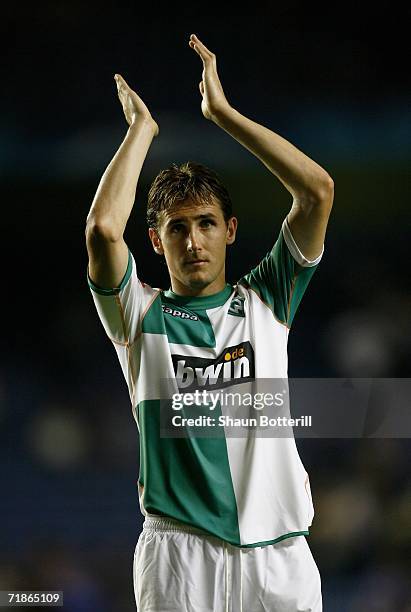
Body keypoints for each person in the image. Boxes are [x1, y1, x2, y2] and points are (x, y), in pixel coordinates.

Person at [86, 33, 333, 612]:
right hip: (180, 557)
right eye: (176, 227)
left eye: (205, 223)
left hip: (281, 559)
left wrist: (223, 117)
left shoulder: (270, 298)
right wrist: (140, 132)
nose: (193, 240)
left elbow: (317, 191)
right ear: (156, 240)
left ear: (230, 230)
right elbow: (102, 231)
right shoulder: (138, 316)